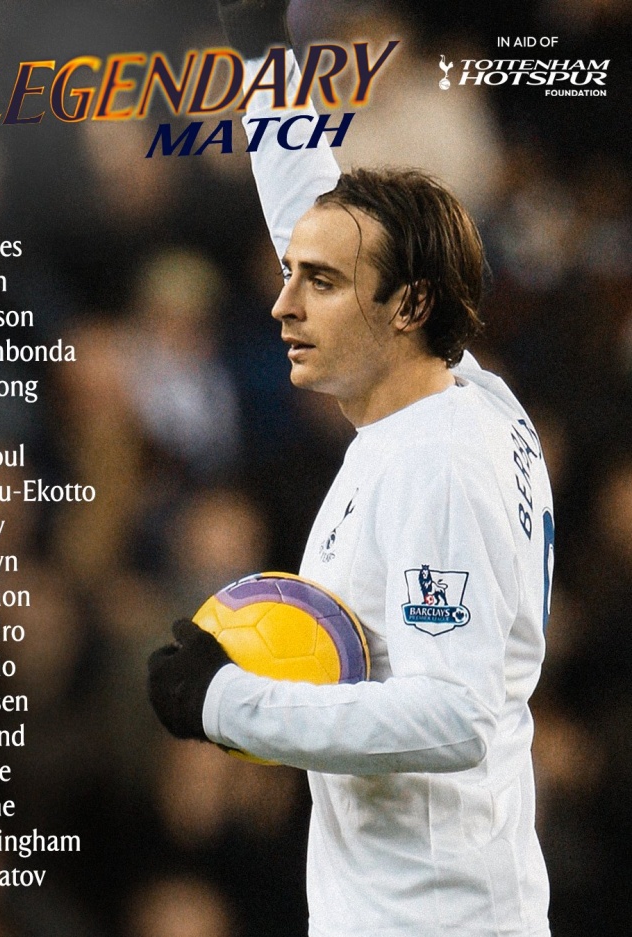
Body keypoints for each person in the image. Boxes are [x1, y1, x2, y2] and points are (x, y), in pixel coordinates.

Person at [148, 3, 554, 935]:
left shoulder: (438, 464)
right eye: (292, 275)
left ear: (408, 305)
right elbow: (323, 218)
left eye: (318, 285)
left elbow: (452, 718)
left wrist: (227, 703)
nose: (284, 303)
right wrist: (264, 54)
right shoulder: (460, 390)